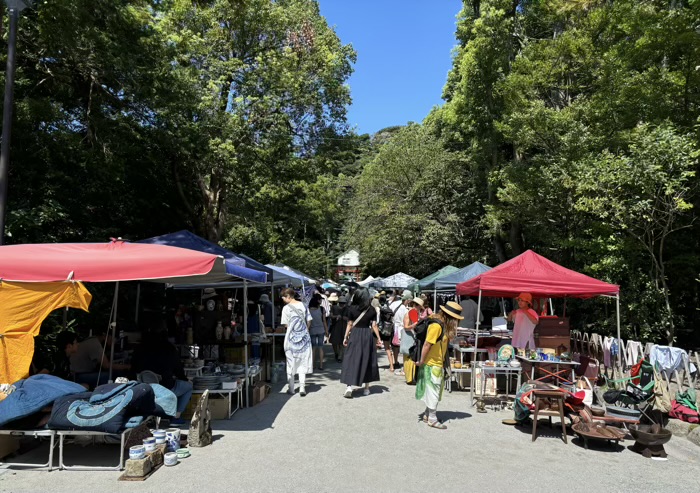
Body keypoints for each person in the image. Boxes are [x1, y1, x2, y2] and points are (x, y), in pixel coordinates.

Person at [416, 301, 463, 429]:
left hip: (436, 363)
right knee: (434, 391)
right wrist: (421, 361)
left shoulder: (442, 325)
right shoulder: (437, 326)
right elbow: (427, 344)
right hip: (432, 363)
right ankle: (432, 418)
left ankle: (427, 414)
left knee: (434, 390)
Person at [131, 331, 193, 425]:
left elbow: (133, 367)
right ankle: (176, 416)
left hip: (144, 388)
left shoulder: (139, 349)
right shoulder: (169, 349)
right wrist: (184, 379)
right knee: (188, 387)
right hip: (166, 387)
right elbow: (178, 370)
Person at [340, 287, 381, 398]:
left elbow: (349, 324)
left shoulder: (351, 309)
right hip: (367, 335)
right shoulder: (372, 309)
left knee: (351, 359)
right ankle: (366, 388)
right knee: (367, 359)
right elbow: (374, 325)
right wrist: (379, 338)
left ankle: (349, 386)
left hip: (355, 334)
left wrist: (345, 337)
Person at [280, 287, 313, 396]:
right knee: (303, 362)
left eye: (284, 298)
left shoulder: (286, 308)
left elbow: (285, 324)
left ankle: (292, 388)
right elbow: (309, 321)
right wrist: (305, 331)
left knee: (291, 363)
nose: (283, 300)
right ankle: (302, 387)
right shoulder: (304, 305)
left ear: (288, 296)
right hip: (304, 339)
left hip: (291, 339)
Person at [389, 290, 412, 372]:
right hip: (401, 328)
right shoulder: (405, 310)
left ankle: (395, 361)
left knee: (394, 346)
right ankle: (401, 362)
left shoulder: (393, 303)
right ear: (408, 300)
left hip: (392, 327)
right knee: (402, 346)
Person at [308, 297, 329, 370]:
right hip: (321, 330)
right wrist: (326, 331)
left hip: (312, 330)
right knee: (320, 348)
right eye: (320, 300)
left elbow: (308, 321)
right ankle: (321, 365)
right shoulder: (322, 309)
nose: (321, 301)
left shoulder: (308, 310)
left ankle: (313, 365)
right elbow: (324, 321)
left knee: (313, 348)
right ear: (317, 301)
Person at [328, 293, 346, 362]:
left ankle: (340, 356)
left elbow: (349, 318)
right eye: (341, 303)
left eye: (343, 303)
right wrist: (336, 316)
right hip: (335, 326)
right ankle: (336, 353)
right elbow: (331, 315)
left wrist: (344, 318)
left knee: (341, 343)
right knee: (334, 342)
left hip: (343, 327)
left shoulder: (346, 308)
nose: (342, 304)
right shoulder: (334, 307)